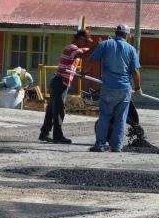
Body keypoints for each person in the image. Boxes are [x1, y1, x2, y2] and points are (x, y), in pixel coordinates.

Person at [90, 24, 142, 153]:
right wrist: (138, 87)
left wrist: (84, 73)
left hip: (108, 88)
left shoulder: (105, 45)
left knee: (105, 117)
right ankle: (117, 146)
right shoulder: (131, 49)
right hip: (124, 90)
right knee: (120, 119)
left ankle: (100, 145)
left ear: (116, 33)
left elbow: (92, 60)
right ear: (126, 35)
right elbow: (135, 71)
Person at [40, 28, 91, 145]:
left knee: (51, 109)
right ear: (79, 38)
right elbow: (81, 54)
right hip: (60, 83)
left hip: (58, 81)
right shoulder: (72, 48)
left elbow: (84, 52)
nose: (86, 43)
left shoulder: (76, 48)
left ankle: (44, 133)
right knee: (59, 110)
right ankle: (57, 137)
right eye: (85, 41)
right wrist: (95, 48)